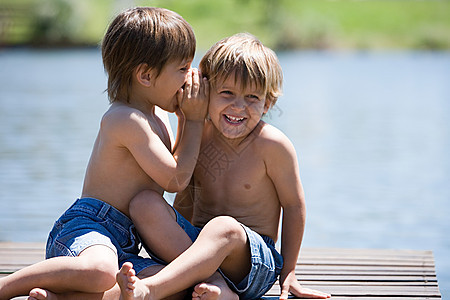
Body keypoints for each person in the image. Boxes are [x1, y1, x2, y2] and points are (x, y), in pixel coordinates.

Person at [0, 7, 209, 300]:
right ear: (146, 75)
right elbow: (174, 179)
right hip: (88, 229)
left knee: (170, 286)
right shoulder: (125, 119)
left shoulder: (157, 116)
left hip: (124, 243)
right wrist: (196, 121)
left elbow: (170, 166)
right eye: (183, 68)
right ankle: (7, 287)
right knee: (100, 270)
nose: (189, 78)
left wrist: (186, 118)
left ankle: (62, 298)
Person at [118, 33, 331, 300]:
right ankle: (211, 287)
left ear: (268, 103)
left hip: (251, 263)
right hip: (197, 250)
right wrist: (186, 121)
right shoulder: (199, 134)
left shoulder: (273, 145)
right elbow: (185, 194)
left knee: (223, 228)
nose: (238, 106)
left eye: (252, 97)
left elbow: (294, 206)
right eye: (227, 93)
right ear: (206, 92)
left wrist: (289, 272)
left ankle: (152, 289)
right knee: (144, 203)